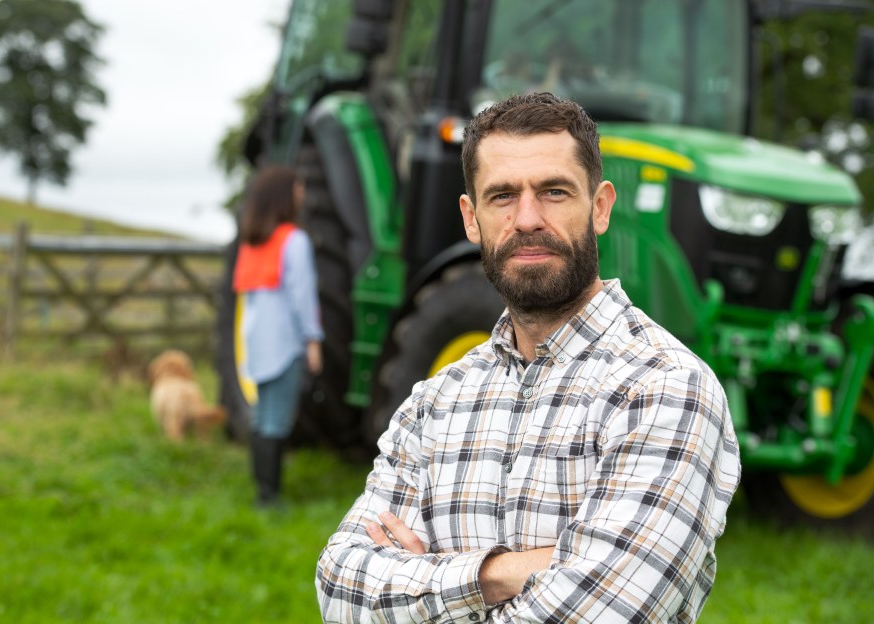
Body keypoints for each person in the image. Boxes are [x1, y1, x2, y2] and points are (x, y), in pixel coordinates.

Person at [315, 93, 741, 622]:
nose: (527, 218)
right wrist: (497, 575)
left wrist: (428, 582)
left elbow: (599, 613)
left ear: (601, 206)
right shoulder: (435, 402)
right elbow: (340, 588)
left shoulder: (666, 390)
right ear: (471, 219)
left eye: (554, 192)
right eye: (502, 196)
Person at [233, 165, 323, 508]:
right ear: (284, 195)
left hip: (256, 343)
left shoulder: (252, 242)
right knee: (277, 420)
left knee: (261, 417)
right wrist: (312, 341)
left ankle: (262, 490)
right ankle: (269, 498)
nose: (302, 193)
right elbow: (302, 297)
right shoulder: (293, 241)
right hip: (284, 344)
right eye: (298, 187)